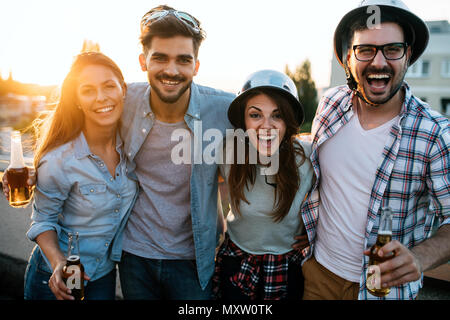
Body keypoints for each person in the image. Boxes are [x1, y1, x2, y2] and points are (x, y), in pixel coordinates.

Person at [300, 0, 449, 300]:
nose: (378, 62)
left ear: (408, 55)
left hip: (383, 291)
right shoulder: (330, 105)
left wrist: (420, 258)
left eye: (392, 49)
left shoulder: (435, 134)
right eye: (365, 49)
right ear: (348, 58)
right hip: (318, 275)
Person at [117, 5, 235, 299]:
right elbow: (74, 124)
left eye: (183, 60)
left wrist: (292, 220)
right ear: (143, 61)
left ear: (196, 66)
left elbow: (273, 151)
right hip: (134, 256)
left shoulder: (225, 109)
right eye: (160, 58)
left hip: (195, 260)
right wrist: (40, 170)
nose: (171, 70)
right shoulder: (122, 99)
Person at [19, 52, 138, 300]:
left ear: (123, 90)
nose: (101, 97)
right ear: (76, 100)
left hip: (103, 274)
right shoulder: (59, 160)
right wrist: (58, 262)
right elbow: (43, 221)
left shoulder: (134, 146)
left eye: (109, 86)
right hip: (61, 274)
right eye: (88, 90)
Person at [213, 70, 313, 300]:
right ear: (243, 121)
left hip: (286, 265)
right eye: (255, 115)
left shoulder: (307, 156)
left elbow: (338, 193)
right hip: (238, 260)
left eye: (277, 115)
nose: (266, 126)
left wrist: (316, 231)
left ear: (289, 121)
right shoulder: (228, 150)